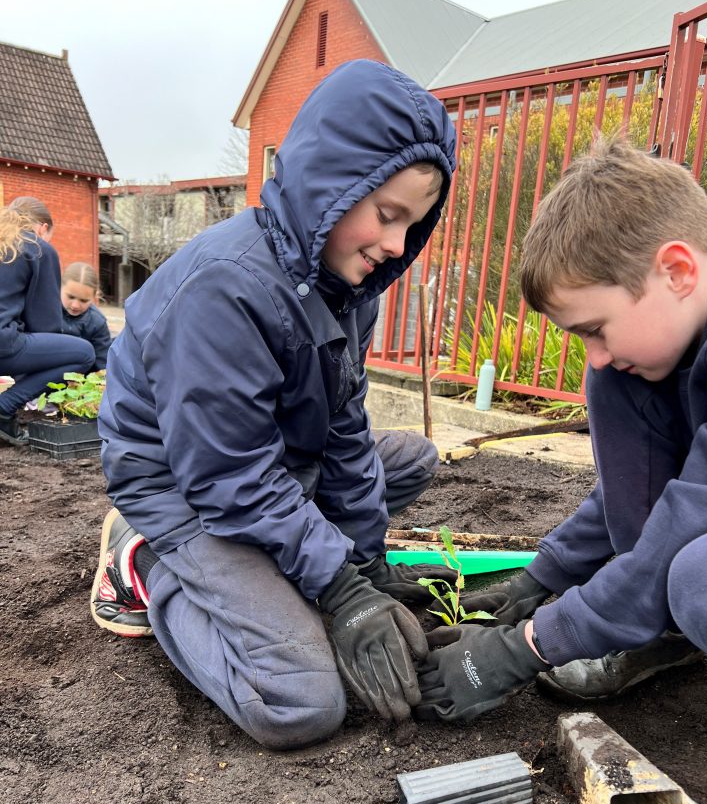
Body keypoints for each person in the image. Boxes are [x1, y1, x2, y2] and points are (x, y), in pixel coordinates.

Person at [89, 60, 457, 750]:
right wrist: (339, 593)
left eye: (413, 224)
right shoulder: (224, 289)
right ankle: (141, 564)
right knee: (301, 702)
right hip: (184, 484)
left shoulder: (348, 285)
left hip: (270, 464)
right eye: (386, 215)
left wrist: (367, 568)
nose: (395, 246)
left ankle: (281, 562)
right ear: (331, 185)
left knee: (408, 460)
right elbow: (228, 474)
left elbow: (345, 428)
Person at [416, 135, 707, 722]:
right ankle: (657, 630)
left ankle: (653, 611)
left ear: (677, 270)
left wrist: (526, 646)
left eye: (596, 329)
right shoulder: (683, 331)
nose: (594, 355)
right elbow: (646, 492)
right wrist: (537, 580)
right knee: (619, 379)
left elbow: (696, 516)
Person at [0, 197, 95, 445]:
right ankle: (4, 406)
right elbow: (44, 324)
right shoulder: (37, 247)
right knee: (82, 353)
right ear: (42, 227)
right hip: (2, 344)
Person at [60, 262, 113, 370]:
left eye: (83, 300)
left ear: (95, 296)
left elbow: (102, 364)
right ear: (60, 288)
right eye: (70, 297)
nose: (75, 305)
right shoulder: (47, 310)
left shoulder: (97, 322)